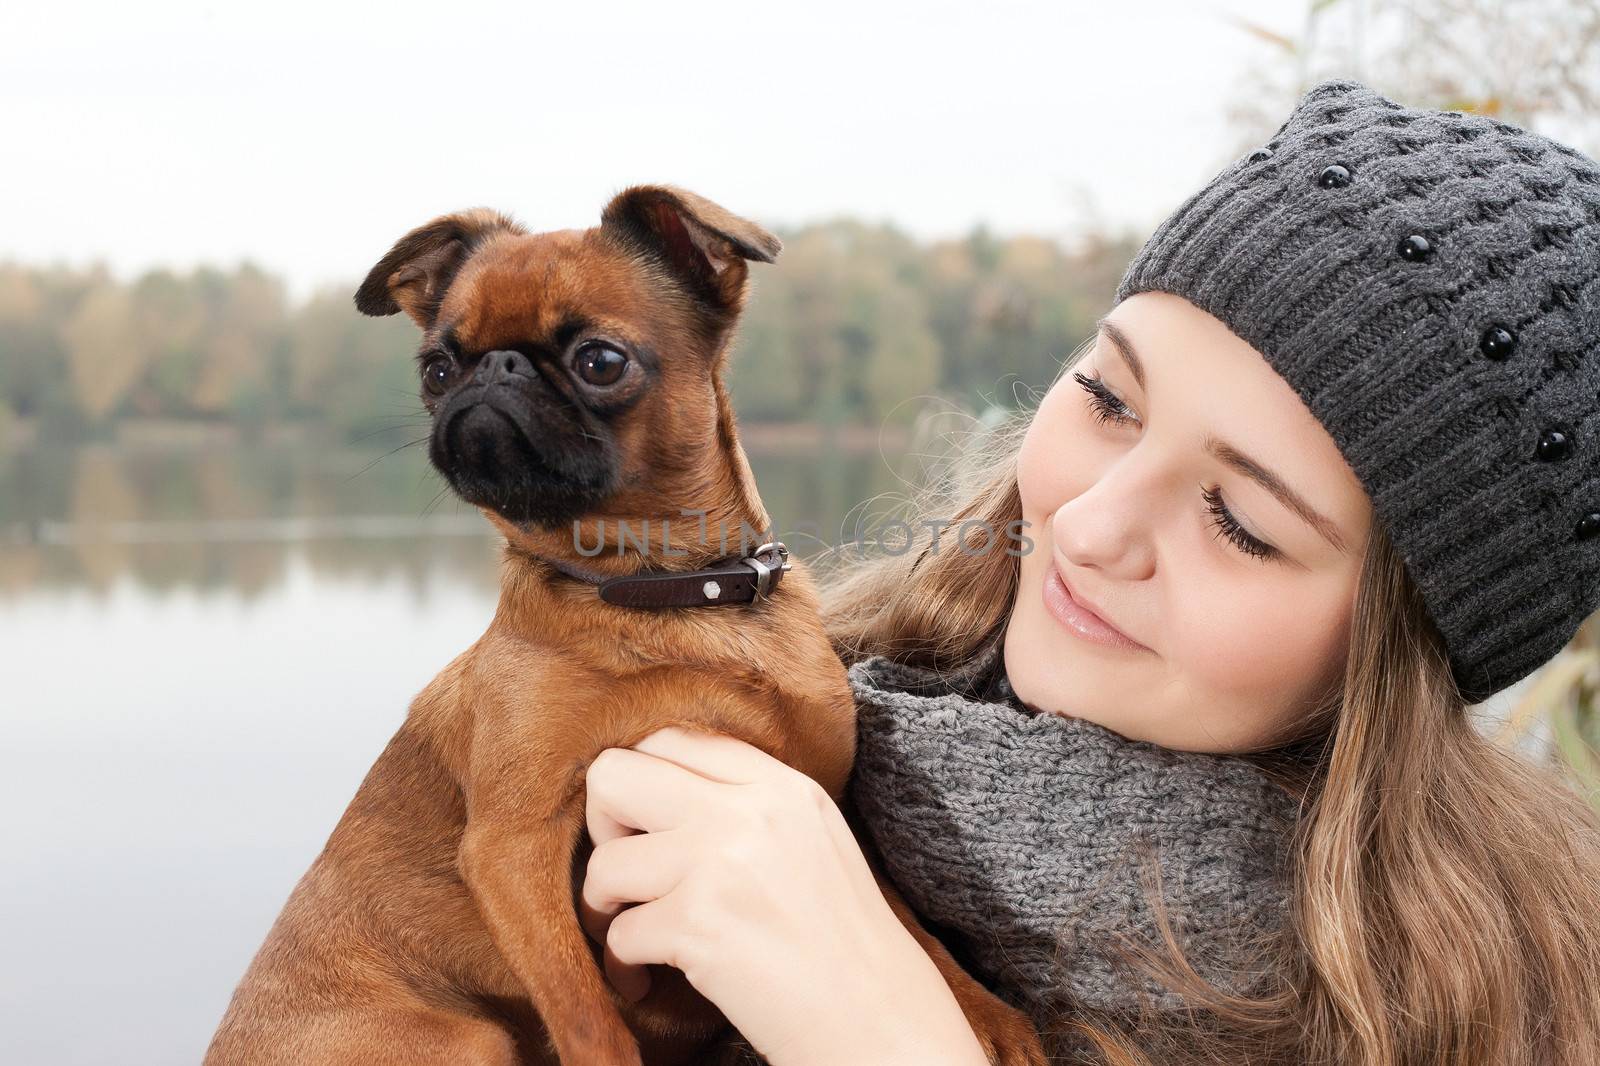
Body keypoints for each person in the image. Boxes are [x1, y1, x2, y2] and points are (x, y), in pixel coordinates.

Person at [577, 77, 1600, 1064]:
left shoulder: (1497, 1017)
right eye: (1110, 401)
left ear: (1402, 647)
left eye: (1240, 522)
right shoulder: (710, 725)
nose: (1089, 527)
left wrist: (882, 1033)